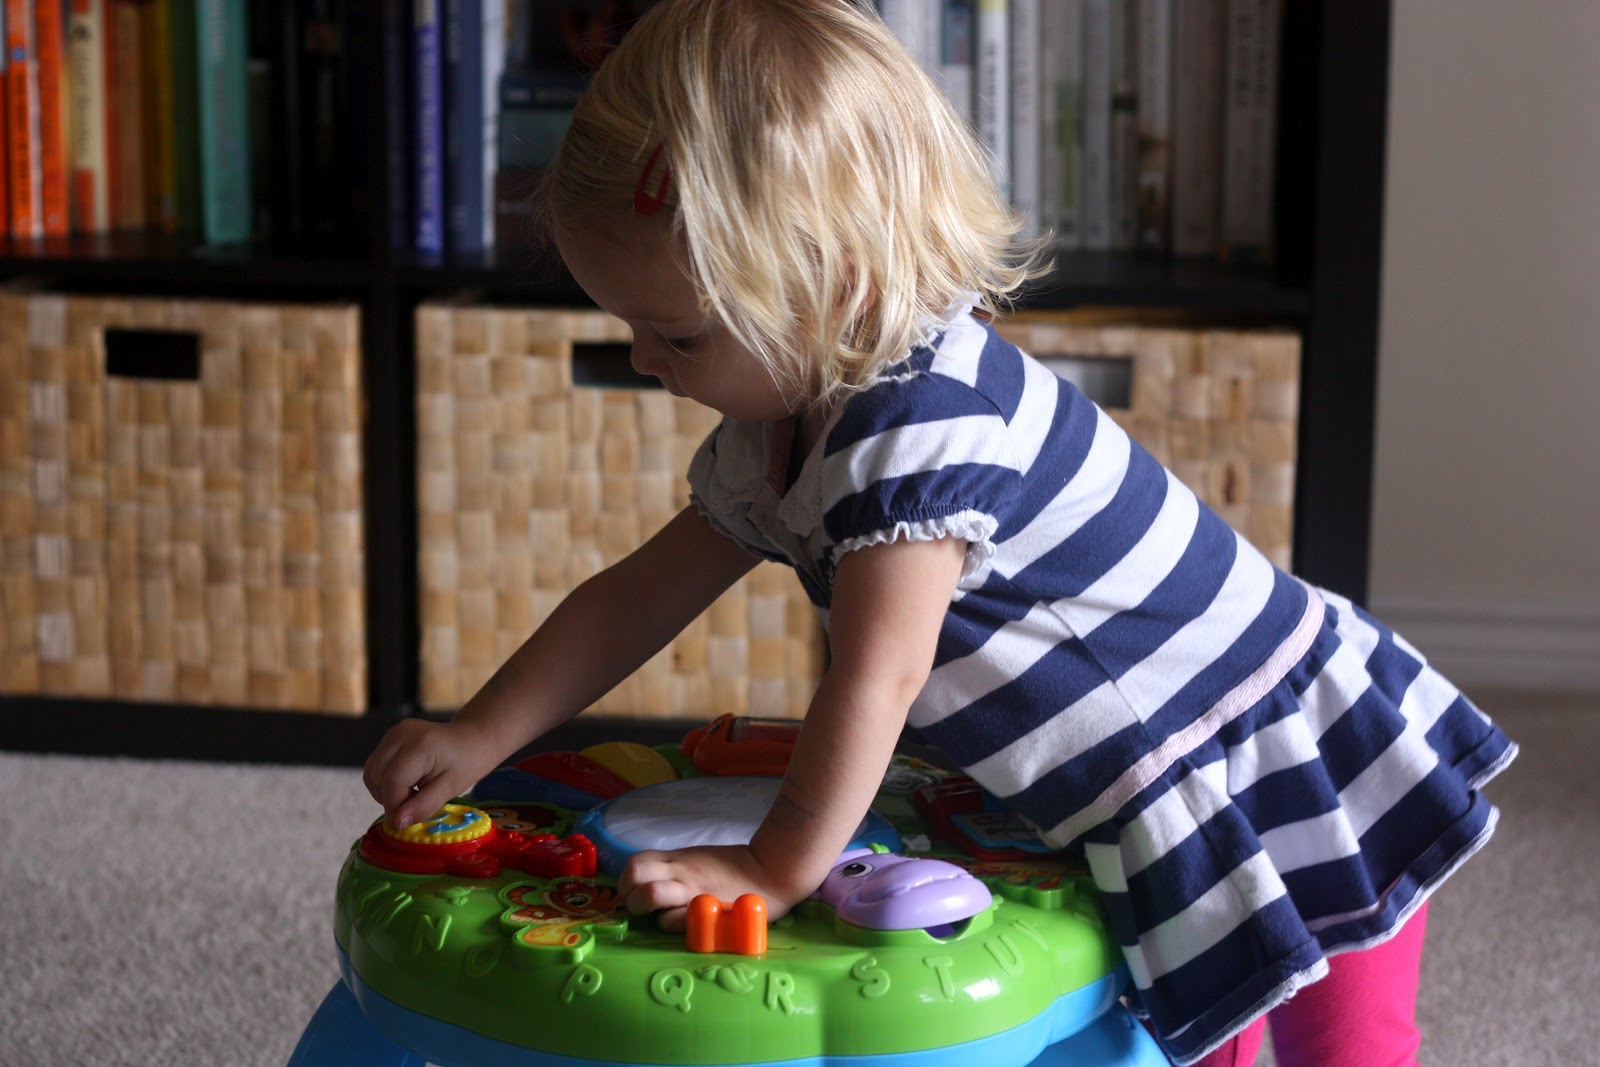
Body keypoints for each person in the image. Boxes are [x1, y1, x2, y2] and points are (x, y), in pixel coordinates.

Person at [362, 2, 1516, 1063]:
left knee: (1343, 1046)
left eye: (678, 334)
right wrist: (482, 730)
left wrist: (773, 864)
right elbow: (636, 595)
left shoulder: (922, 430)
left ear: (841, 286)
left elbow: (879, 674)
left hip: (1266, 746)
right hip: (1132, 774)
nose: (643, 359)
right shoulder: (784, 415)